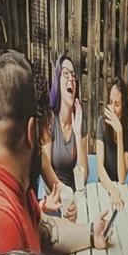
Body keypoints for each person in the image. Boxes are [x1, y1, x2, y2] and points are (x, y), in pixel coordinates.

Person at [0, 50, 109, 255]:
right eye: (45, 129)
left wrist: (92, 232)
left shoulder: (17, 189)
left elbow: (47, 232)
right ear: (32, 132)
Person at [42, 53, 87, 195]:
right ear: (57, 82)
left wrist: (78, 134)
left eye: (73, 75)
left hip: (75, 195)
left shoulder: (81, 121)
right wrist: (64, 196)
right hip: (53, 194)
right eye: (66, 74)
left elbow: (83, 177)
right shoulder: (49, 120)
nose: (71, 79)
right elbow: (45, 169)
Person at [95, 76, 128, 211]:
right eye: (110, 102)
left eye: (117, 104)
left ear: (124, 107)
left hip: (121, 193)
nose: (112, 108)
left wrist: (119, 132)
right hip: (104, 188)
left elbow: (122, 178)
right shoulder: (101, 123)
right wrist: (112, 191)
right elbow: (100, 168)